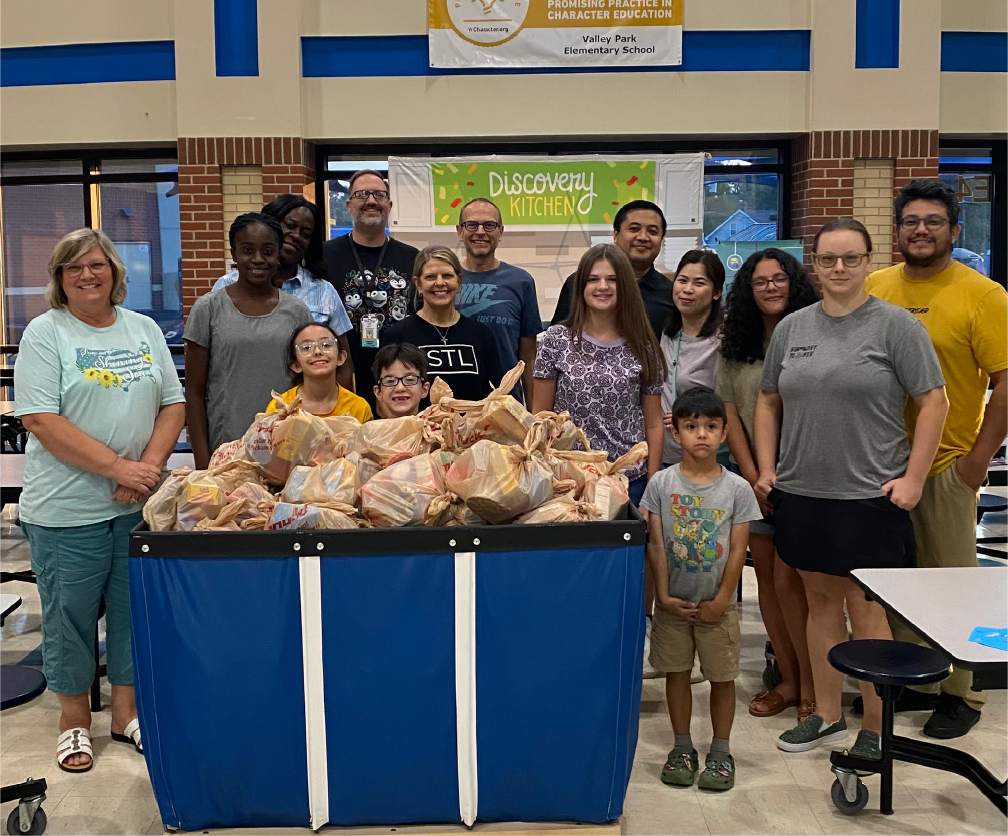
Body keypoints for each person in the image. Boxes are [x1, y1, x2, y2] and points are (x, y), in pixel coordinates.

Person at [755, 218, 948, 760]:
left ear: (869, 262)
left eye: (851, 258)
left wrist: (914, 479)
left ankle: (875, 726)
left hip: (869, 496)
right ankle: (826, 714)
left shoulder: (896, 326)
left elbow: (935, 401)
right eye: (828, 259)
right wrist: (767, 467)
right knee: (820, 606)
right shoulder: (792, 329)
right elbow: (767, 399)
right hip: (803, 494)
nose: (839, 268)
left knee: (866, 613)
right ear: (814, 265)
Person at [14, 228, 186, 772]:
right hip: (67, 510)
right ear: (59, 279)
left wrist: (145, 471)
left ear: (114, 271)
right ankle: (73, 721)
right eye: (74, 268)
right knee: (70, 618)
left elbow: (173, 403)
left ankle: (124, 714)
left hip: (133, 505)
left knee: (133, 614)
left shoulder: (142, 328)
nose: (87, 275)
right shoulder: (46, 332)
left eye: (97, 265)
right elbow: (40, 420)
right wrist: (119, 468)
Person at [866, 179, 1008, 738]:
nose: (920, 230)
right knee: (898, 582)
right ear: (897, 230)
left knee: (951, 582)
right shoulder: (876, 286)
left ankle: (962, 691)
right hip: (881, 465)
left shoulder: (983, 295)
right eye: (911, 221)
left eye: (933, 221)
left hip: (948, 465)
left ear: (954, 230)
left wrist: (977, 460)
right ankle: (920, 681)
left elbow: (1005, 383)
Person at [641, 387, 762, 793]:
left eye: (711, 426)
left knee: (722, 679)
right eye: (691, 426)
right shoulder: (660, 484)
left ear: (725, 433)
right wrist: (662, 596)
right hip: (672, 606)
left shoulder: (738, 489)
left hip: (717, 607)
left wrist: (722, 599)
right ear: (675, 432)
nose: (702, 434)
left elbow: (739, 550)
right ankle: (681, 748)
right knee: (676, 675)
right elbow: (657, 545)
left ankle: (721, 752)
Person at [717, 249, 819, 723]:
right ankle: (790, 681)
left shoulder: (813, 335)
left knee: (796, 584)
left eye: (779, 278)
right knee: (770, 587)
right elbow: (731, 414)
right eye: (760, 281)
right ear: (747, 290)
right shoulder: (736, 344)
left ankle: (815, 686)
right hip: (756, 480)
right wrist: (754, 476)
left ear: (793, 283)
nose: (771, 287)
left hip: (808, 478)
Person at [532, 243, 665, 506]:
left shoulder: (644, 346)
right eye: (593, 279)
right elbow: (541, 417)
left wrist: (652, 490)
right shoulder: (556, 340)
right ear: (581, 286)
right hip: (568, 482)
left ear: (625, 286)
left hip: (629, 482)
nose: (602, 286)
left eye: (612, 279)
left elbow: (653, 424)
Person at [185, 213, 312, 468]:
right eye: (247, 250)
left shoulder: (297, 311)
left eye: (267, 251)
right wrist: (203, 465)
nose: (258, 259)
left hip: (284, 450)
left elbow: (308, 383)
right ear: (234, 253)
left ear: (279, 254)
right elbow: (194, 393)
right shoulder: (208, 308)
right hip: (225, 450)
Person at [213, 195, 354, 389]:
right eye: (289, 226)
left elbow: (343, 364)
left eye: (306, 233)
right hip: (240, 398)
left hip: (306, 405)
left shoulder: (324, 292)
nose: (296, 235)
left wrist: (340, 406)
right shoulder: (225, 287)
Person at [323, 170, 419, 410]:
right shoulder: (324, 256)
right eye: (362, 194)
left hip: (399, 379)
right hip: (342, 376)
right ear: (349, 205)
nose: (371, 201)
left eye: (379, 194)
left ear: (389, 205)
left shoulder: (412, 258)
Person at [383, 246, 503, 404]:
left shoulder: (481, 334)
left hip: (473, 420)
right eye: (430, 277)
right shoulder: (397, 336)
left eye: (447, 275)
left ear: (458, 281)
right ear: (418, 284)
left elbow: (499, 393)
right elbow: (386, 398)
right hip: (418, 421)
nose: (440, 283)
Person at [454, 198, 542, 405]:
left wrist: (534, 413)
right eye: (472, 225)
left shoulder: (521, 282)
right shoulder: (445, 282)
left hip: (507, 406)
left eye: (489, 225)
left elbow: (528, 358)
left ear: (500, 232)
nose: (480, 232)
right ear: (460, 232)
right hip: (454, 406)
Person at [551, 200, 673, 338]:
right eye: (634, 229)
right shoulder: (580, 283)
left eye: (652, 231)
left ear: (661, 240)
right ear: (616, 235)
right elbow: (558, 338)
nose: (643, 237)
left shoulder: (671, 294)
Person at [660, 250, 725, 466]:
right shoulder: (667, 332)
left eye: (699, 283)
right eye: (682, 280)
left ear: (716, 292)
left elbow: (730, 404)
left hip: (708, 460)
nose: (687, 289)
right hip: (666, 456)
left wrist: (688, 416)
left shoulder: (723, 341)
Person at [266, 322, 372, 422]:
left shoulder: (359, 407)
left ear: (341, 357)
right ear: (296, 365)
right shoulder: (279, 407)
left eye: (326, 345)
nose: (317, 351)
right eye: (307, 347)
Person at [371, 343, 431, 419]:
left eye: (409, 380)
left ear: (424, 389)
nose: (400, 388)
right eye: (390, 381)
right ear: (378, 392)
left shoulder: (440, 426)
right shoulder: (367, 427)